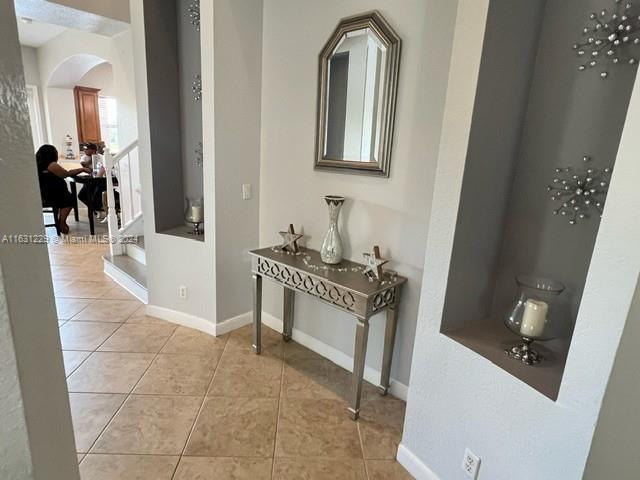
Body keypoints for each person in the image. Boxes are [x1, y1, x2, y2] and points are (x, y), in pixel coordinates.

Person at [36, 144, 90, 234]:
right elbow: (65, 174)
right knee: (70, 200)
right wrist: (82, 169)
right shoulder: (52, 164)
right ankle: (61, 222)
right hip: (53, 195)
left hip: (43, 195)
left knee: (67, 197)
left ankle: (60, 221)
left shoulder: (37, 164)